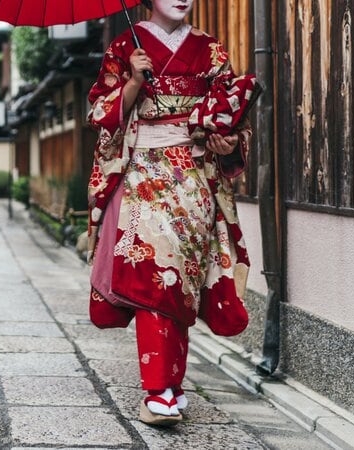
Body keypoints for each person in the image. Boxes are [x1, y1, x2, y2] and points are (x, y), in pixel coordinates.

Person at [86, 0, 252, 426]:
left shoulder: (210, 49)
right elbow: (100, 114)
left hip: (194, 175)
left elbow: (232, 113)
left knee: (181, 281)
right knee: (154, 275)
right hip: (143, 173)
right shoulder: (126, 46)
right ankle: (158, 391)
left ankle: (172, 388)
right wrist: (132, 84)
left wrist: (227, 141)